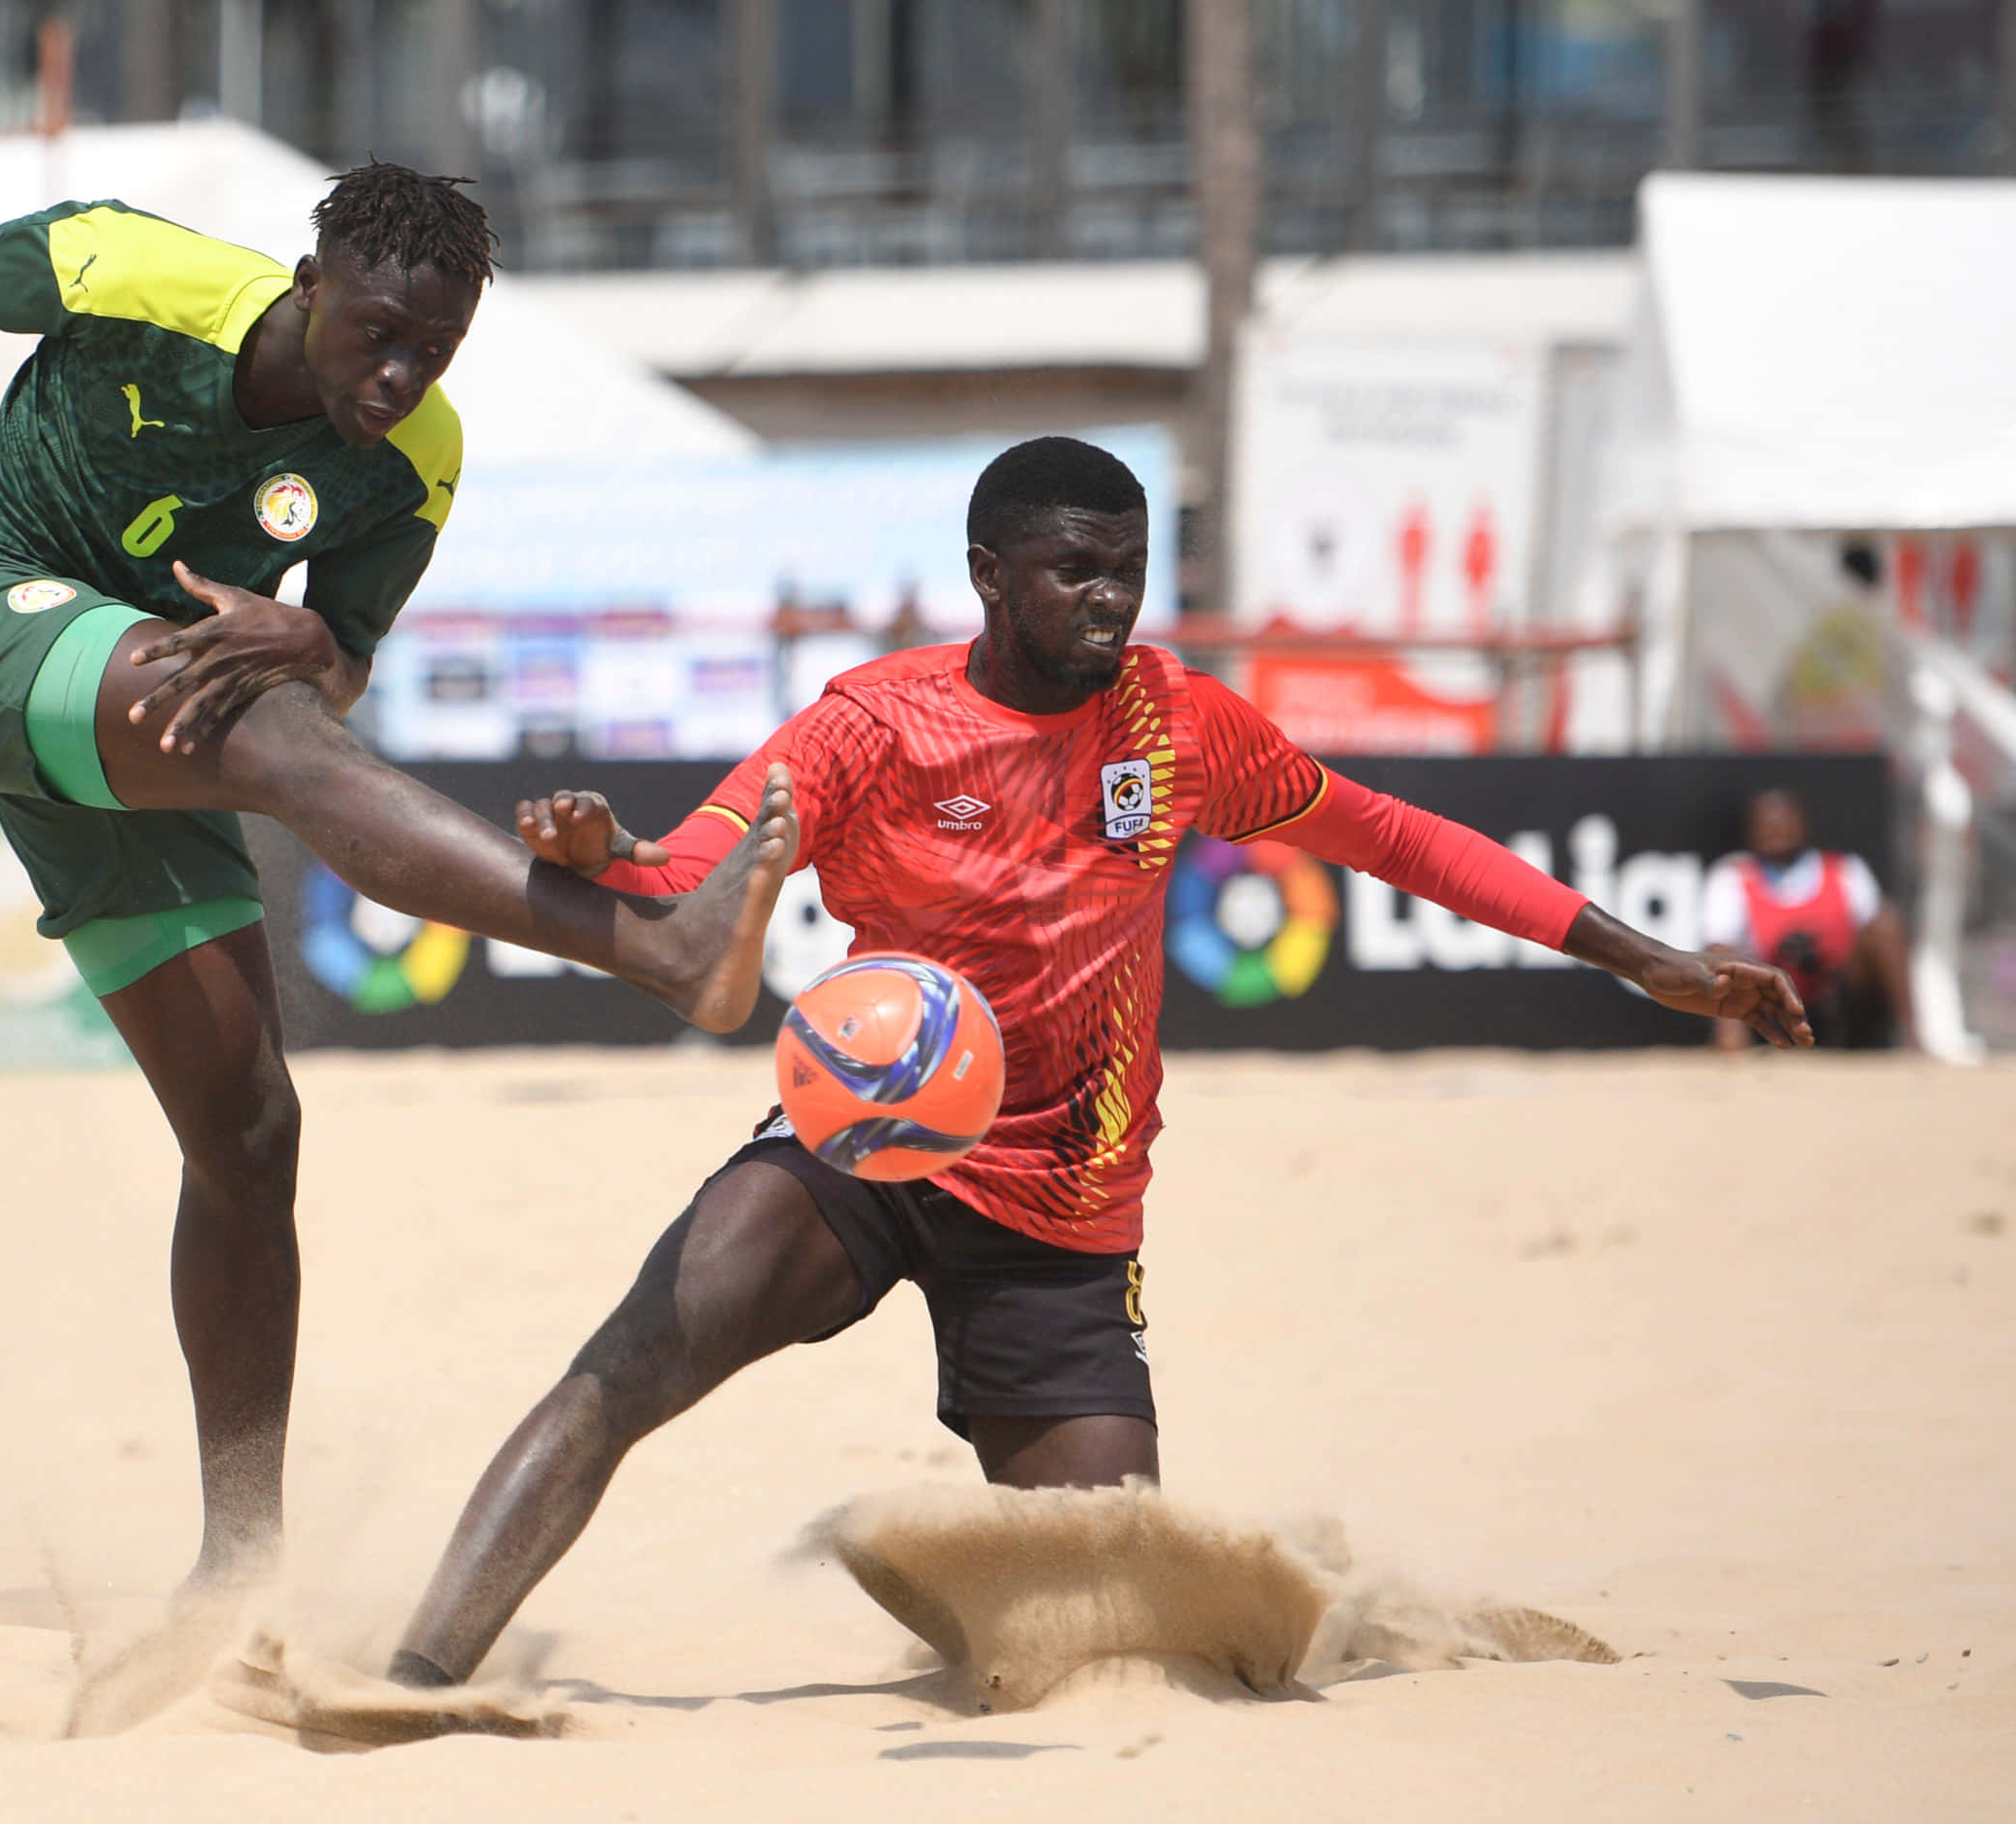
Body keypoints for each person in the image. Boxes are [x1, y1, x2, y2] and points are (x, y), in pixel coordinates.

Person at [385, 436, 1810, 1690]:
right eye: (1076, 570)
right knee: (628, 1362)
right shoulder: (874, 724)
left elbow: (1396, 837)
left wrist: (1641, 957)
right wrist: (607, 853)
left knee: (1135, 1631)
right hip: (865, 1143)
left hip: (1063, 1212)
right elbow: (700, 858)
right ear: (989, 573)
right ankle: (412, 1672)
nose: (1110, 600)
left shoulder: (1178, 724)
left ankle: (971, 1580)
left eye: (1128, 570)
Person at [0, 165, 793, 1591]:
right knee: (272, 739)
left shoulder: (416, 454)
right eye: (375, 331)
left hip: (146, 705)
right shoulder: (144, 274)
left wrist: (319, 649)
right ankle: (657, 946)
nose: (398, 371)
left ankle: (236, 1570)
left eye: (432, 349)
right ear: (309, 286)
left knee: (250, 1141)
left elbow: (345, 657)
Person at [1701, 787, 1913, 1049]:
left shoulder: (1846, 870)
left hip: (1836, 990)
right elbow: (1717, 945)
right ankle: (1732, 1049)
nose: (1776, 831)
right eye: (1767, 824)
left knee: (1886, 925)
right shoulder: (1731, 877)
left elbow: (1873, 933)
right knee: (1721, 955)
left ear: (1802, 825)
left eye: (1783, 822)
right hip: (1768, 996)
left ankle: (1913, 1037)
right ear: (1751, 831)